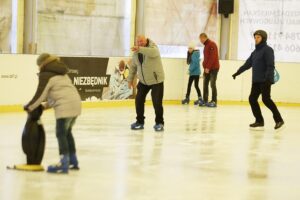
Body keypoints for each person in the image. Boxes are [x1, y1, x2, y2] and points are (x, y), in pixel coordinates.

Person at [24, 53, 82, 173]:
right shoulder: (61, 71)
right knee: (67, 133)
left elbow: (40, 94)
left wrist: (29, 107)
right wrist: (45, 106)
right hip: (75, 104)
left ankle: (64, 163)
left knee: (61, 134)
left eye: (38, 65)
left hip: (64, 108)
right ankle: (73, 160)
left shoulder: (46, 74)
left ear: (42, 64)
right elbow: (59, 93)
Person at [232, 30, 284, 130]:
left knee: (266, 100)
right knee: (252, 99)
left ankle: (279, 120)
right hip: (256, 81)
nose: (256, 39)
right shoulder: (255, 52)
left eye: (258, 37)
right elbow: (247, 64)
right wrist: (237, 72)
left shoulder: (268, 50)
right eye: (255, 37)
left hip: (265, 80)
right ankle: (259, 121)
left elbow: (270, 65)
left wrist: (268, 79)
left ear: (263, 38)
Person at [127, 35, 165, 132]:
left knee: (157, 102)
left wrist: (139, 49)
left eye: (141, 41)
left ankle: (159, 122)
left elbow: (153, 53)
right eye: (138, 42)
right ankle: (140, 122)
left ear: (146, 40)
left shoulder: (153, 47)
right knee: (139, 100)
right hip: (143, 81)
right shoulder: (136, 52)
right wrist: (130, 80)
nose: (140, 43)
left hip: (156, 80)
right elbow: (133, 67)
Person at [199, 33, 220, 107]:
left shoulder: (212, 44)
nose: (200, 40)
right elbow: (206, 58)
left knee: (212, 84)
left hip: (213, 68)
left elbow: (212, 57)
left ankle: (214, 101)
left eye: (201, 39)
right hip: (207, 68)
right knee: (205, 84)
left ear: (204, 37)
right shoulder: (206, 46)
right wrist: (204, 65)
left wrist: (207, 67)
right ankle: (205, 100)